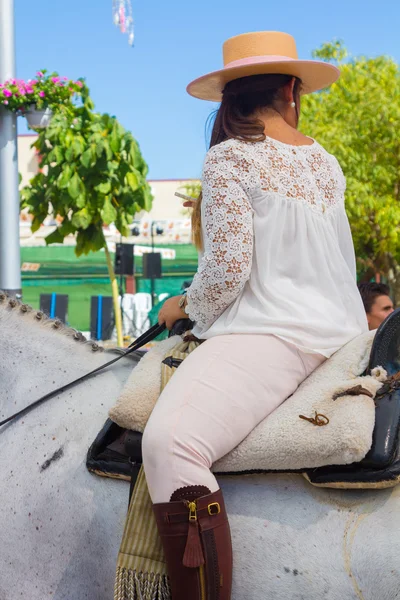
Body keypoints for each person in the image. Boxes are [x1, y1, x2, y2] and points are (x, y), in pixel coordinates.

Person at [142, 31, 368, 599]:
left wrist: (182, 307)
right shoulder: (326, 164)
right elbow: (344, 261)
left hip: (271, 336)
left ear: (231, 96)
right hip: (338, 334)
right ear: (292, 90)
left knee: (170, 443)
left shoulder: (228, 158)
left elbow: (227, 270)